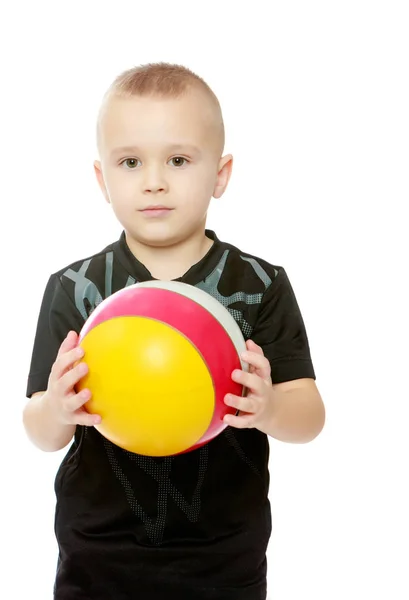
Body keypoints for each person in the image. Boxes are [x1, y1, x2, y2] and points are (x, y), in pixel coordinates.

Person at [24, 62, 325, 600]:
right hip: (99, 556)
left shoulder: (259, 283)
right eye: (131, 161)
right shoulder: (75, 287)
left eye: (179, 160)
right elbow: (40, 431)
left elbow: (309, 416)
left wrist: (270, 409)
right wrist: (57, 410)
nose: (154, 180)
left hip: (224, 558)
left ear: (221, 174)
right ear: (103, 179)